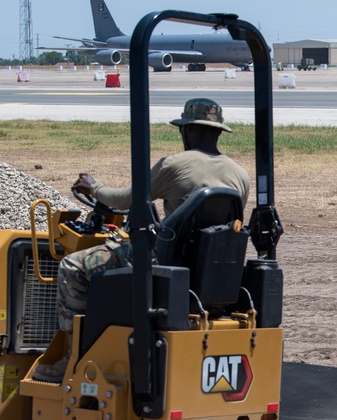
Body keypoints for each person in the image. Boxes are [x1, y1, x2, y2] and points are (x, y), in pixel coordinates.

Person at [33, 98, 251, 382]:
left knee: (74, 267)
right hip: (211, 270)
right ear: (218, 131)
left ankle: (74, 357)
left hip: (165, 260)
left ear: (187, 131)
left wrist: (94, 187)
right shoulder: (241, 175)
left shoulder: (175, 165)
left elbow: (126, 199)